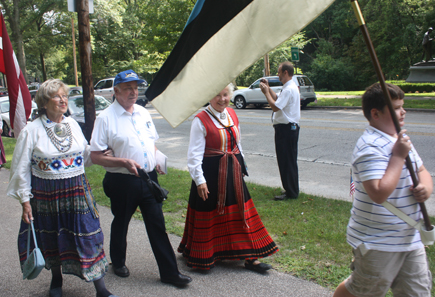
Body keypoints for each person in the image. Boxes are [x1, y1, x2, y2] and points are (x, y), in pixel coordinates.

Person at [6, 79, 117, 297]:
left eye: (64, 95)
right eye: (57, 96)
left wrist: (100, 155)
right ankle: (56, 280)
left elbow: (83, 156)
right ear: (44, 102)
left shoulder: (72, 124)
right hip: (46, 195)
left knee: (89, 236)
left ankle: (101, 289)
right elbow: (20, 168)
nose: (63, 99)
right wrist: (25, 201)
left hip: (77, 190)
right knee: (52, 238)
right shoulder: (32, 130)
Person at [90, 70, 192, 287]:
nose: (133, 92)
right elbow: (96, 156)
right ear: (115, 91)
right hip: (122, 181)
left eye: (135, 87)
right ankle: (117, 262)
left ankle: (170, 273)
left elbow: (151, 141)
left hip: (148, 178)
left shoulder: (143, 112)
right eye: (127, 88)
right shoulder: (105, 118)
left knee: (157, 224)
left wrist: (156, 158)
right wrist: (123, 162)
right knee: (121, 222)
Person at [333, 83, 433, 297]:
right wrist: (397, 157)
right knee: (363, 291)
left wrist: (426, 187)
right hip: (377, 241)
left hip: (409, 236)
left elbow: (421, 169)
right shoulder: (369, 147)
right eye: (397, 108)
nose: (403, 111)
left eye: (402, 106)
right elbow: (378, 193)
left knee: (416, 292)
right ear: (375, 114)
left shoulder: (401, 140)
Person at [178, 84, 278, 272]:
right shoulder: (200, 120)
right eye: (217, 94)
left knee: (241, 214)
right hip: (210, 175)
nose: (222, 99)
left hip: (233, 172)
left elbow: (238, 143)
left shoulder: (232, 113)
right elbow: (194, 155)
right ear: (209, 96)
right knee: (210, 215)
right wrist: (200, 180)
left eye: (225, 94)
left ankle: (250, 258)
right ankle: (206, 255)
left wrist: (242, 166)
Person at [259, 61, 300, 200]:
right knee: (287, 160)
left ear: (286, 73)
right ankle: (291, 189)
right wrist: (269, 88)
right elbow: (277, 98)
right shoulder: (289, 87)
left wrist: (265, 93)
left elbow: (276, 106)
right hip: (287, 129)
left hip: (286, 130)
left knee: (286, 161)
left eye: (279, 72)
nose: (278, 74)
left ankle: (291, 192)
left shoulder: (289, 89)